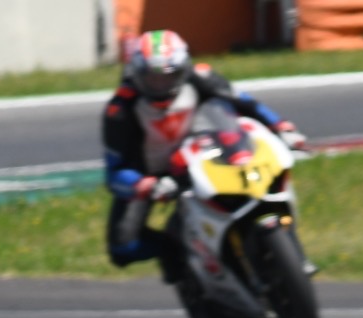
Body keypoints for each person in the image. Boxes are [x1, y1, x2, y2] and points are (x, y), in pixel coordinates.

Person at [101, 29, 302, 280]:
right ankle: (179, 252)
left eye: (169, 76)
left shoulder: (201, 77)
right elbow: (114, 172)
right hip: (153, 174)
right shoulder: (119, 110)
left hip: (204, 152)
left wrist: (281, 126)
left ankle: (275, 241)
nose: (161, 85)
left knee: (257, 182)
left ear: (183, 69)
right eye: (153, 78)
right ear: (137, 74)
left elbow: (246, 103)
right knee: (122, 247)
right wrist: (144, 185)